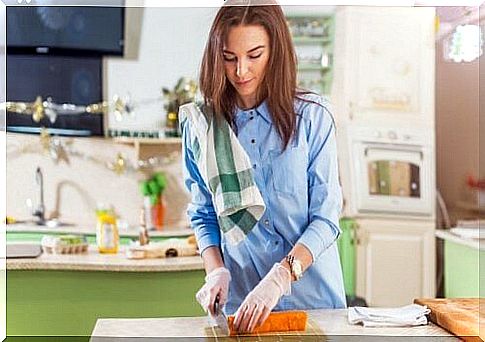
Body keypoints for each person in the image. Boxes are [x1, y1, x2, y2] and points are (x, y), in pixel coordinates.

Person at [181, 0, 346, 334]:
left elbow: (327, 219)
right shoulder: (202, 126)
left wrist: (282, 274)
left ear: (276, 51)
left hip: (314, 303)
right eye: (229, 58)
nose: (241, 70)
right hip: (244, 309)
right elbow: (203, 214)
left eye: (254, 55)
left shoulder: (314, 118)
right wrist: (216, 271)